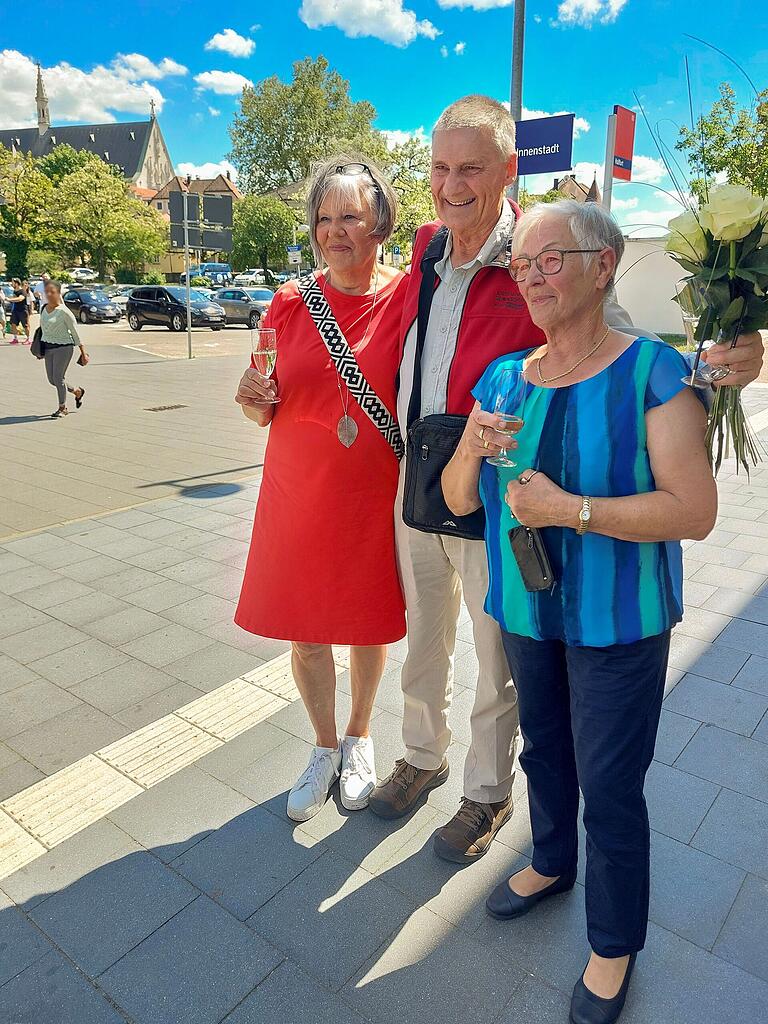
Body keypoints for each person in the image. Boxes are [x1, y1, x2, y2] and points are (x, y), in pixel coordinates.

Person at [369, 94, 765, 865]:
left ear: (509, 171)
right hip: (428, 479)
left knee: (496, 658)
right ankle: (421, 755)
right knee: (424, 640)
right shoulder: (424, 251)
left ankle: (485, 794)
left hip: (505, 484)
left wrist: (722, 369)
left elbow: (617, 343)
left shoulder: (551, 249)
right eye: (440, 168)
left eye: (471, 169)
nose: (452, 185)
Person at [442, 199, 717, 1024]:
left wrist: (570, 510)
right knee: (546, 752)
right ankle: (551, 860)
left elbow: (693, 511)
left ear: (604, 265)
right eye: (522, 266)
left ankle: (614, 942)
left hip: (618, 621)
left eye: (549, 260)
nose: (530, 278)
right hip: (527, 612)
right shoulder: (502, 378)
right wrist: (467, 447)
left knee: (611, 782)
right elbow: (460, 500)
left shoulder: (653, 373)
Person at [234, 156, 406, 822]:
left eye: (350, 217)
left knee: (366, 624)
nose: (334, 231)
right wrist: (250, 398)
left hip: (372, 497)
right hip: (298, 493)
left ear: (380, 221)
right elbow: (263, 403)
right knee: (306, 632)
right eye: (323, 218)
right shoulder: (287, 303)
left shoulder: (406, 297)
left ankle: (361, 737)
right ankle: (324, 746)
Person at [40, 280, 87, 418]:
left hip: (64, 348)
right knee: (52, 380)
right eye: (47, 292)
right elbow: (43, 330)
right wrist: (40, 350)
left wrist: (83, 352)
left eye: (52, 292)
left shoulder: (65, 312)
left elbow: (75, 332)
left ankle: (62, 408)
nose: (49, 294)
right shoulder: (43, 309)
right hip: (48, 348)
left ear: (58, 293)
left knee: (58, 378)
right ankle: (77, 391)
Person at [7, 278, 30, 344]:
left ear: (16, 283)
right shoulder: (15, 291)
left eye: (13, 282)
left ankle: (28, 339)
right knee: (13, 324)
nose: (12, 284)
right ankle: (15, 338)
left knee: (25, 326)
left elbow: (20, 299)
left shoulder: (22, 291)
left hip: (23, 310)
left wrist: (10, 299)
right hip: (15, 310)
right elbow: (14, 297)